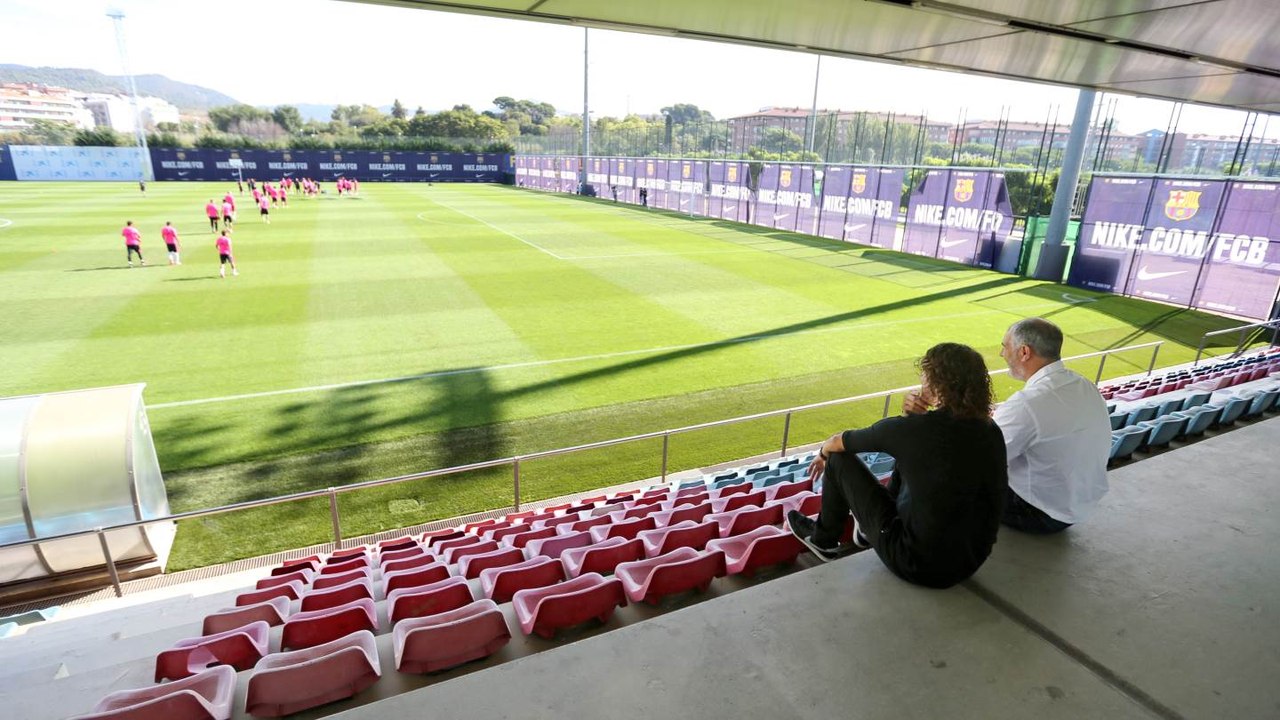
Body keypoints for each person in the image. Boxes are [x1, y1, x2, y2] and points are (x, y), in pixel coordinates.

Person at [788, 342, 1008, 589]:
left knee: (838, 461)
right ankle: (864, 533)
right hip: (970, 561)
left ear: (936, 384)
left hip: (915, 563)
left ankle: (823, 539)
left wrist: (822, 454)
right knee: (917, 462)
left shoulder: (912, 431)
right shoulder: (990, 430)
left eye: (925, 375)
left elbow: (837, 443)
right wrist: (912, 418)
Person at [992, 318, 1111, 534]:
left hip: (1039, 514)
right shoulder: (1084, 385)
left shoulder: (1028, 403)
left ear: (1024, 352)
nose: (1002, 354)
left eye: (1005, 347)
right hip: (1078, 506)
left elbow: (980, 458)